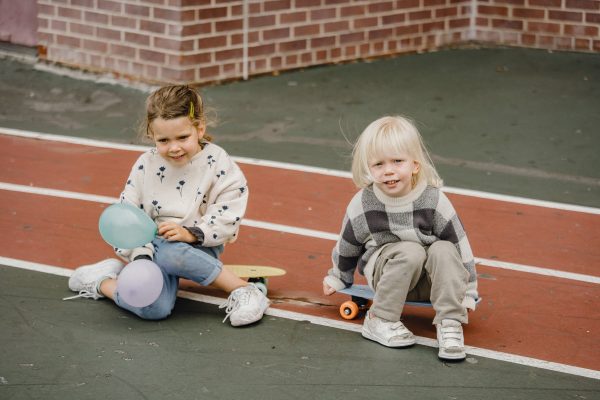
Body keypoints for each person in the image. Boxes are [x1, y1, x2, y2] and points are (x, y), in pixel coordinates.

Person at [65, 85, 269, 327]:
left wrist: (192, 235)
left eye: (183, 137)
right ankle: (102, 281)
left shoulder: (218, 163)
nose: (174, 147)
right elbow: (127, 215)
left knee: (173, 252)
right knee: (154, 309)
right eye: (163, 140)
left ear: (200, 128)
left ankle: (245, 291)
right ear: (152, 135)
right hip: (152, 248)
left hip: (200, 246)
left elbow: (229, 210)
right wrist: (141, 255)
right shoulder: (145, 164)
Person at [322, 116, 478, 360]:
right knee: (410, 251)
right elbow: (348, 243)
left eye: (397, 161)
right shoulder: (364, 202)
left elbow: (460, 246)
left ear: (415, 165)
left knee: (444, 249)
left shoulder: (433, 199)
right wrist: (338, 277)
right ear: (368, 168)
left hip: (428, 282)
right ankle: (380, 319)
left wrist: (467, 291)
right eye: (378, 164)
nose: (388, 170)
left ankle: (449, 321)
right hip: (387, 278)